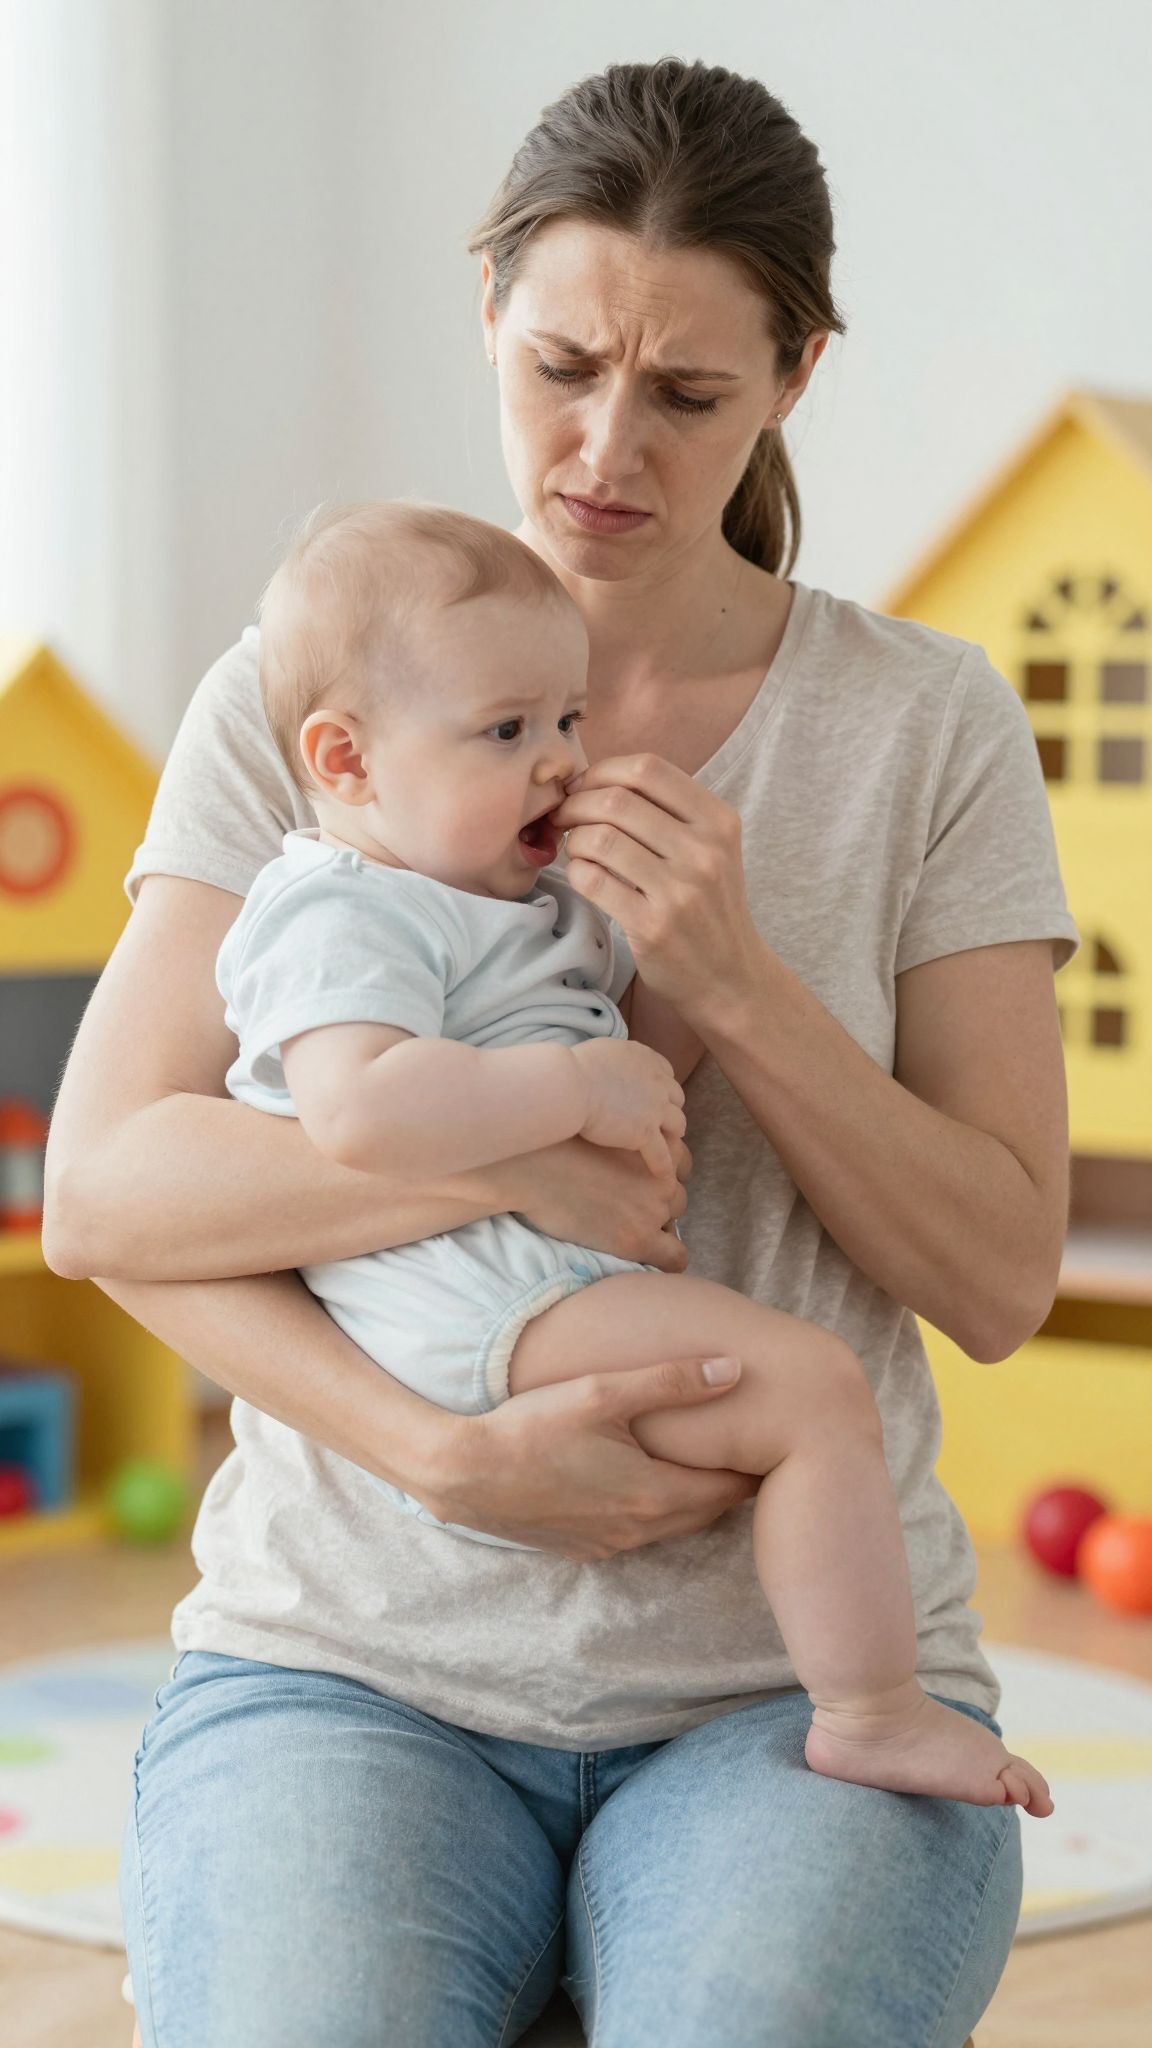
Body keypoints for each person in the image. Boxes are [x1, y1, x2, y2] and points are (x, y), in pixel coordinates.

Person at [44, 56, 1079, 2048]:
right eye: (559, 366)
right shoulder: (311, 698)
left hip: (781, 1680)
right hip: (346, 1662)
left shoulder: (923, 724)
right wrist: (449, 1425)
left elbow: (1004, 1271)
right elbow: (107, 1193)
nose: (605, 447)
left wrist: (744, 989)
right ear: (487, 316)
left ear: (794, 376)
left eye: (688, 394)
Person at [229, 490, 1055, 1818]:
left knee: (803, 1402)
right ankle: (872, 1710)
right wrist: (563, 1089)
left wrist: (686, 963)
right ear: (346, 761)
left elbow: (649, 1078)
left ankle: (861, 1702)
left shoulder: (513, 905)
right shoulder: (341, 908)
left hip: (534, 1285)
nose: (557, 758)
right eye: (507, 732)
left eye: (567, 719)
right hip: (471, 1301)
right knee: (811, 1390)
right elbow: (360, 1112)